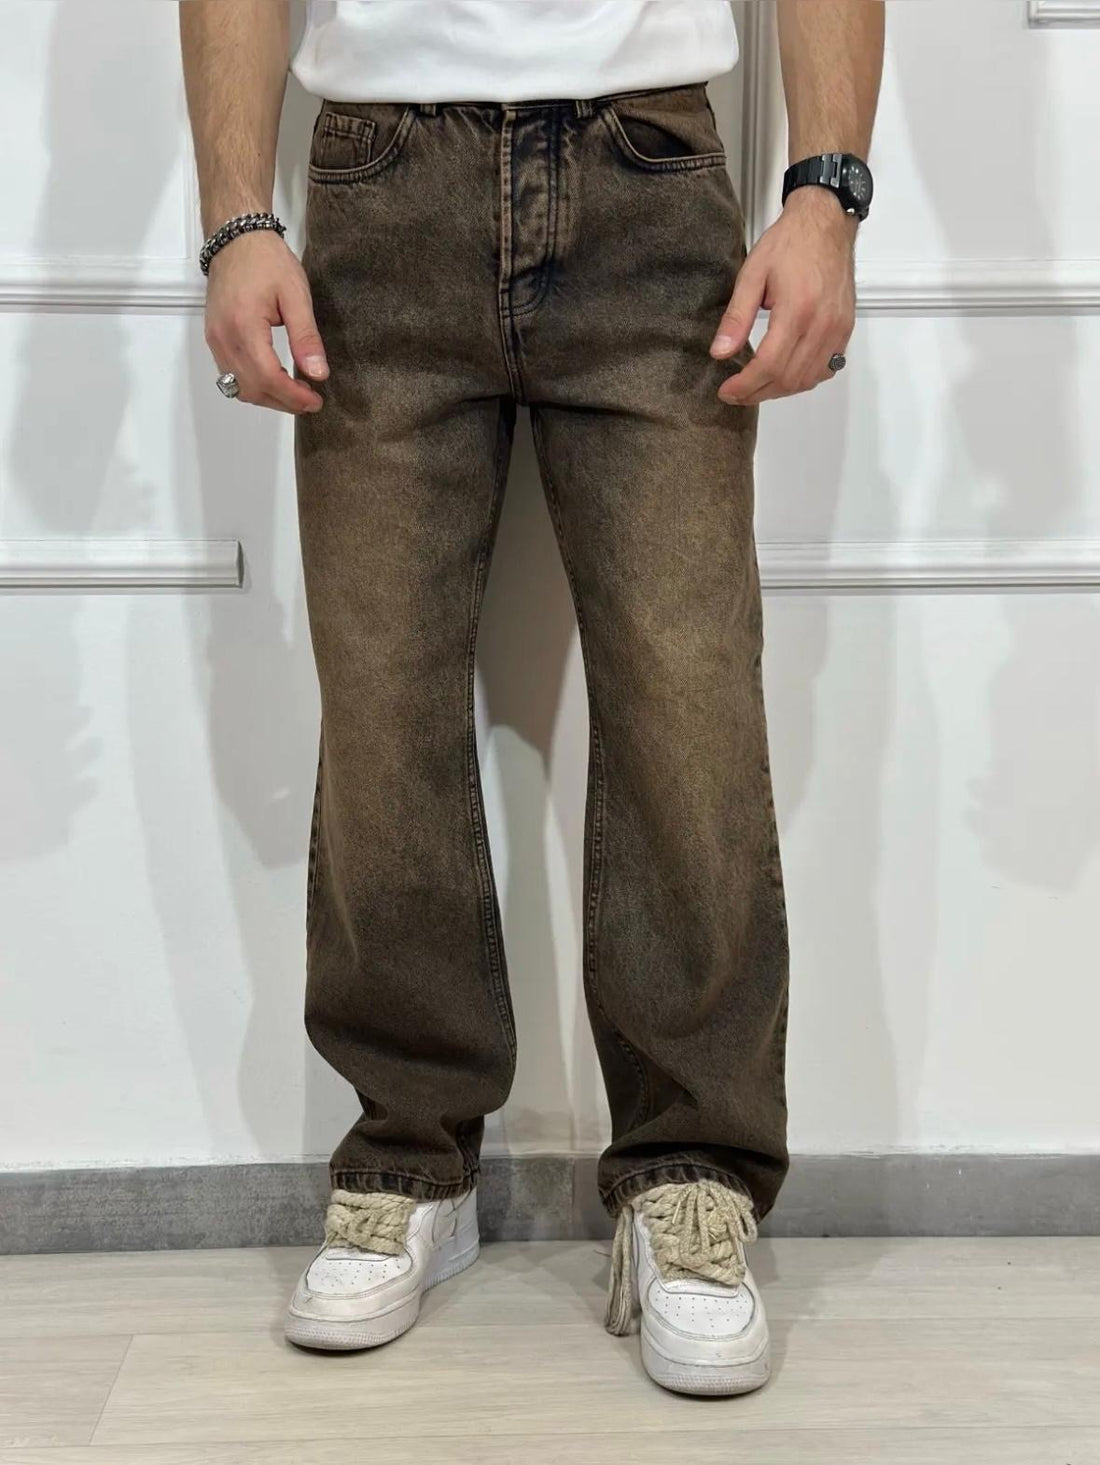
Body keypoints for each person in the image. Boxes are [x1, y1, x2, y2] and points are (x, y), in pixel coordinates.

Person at [179, 0, 883, 1397]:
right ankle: (408, 1160)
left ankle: (691, 1176)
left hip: (652, 176)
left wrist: (828, 192)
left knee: (690, 706)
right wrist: (234, 219)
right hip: (380, 182)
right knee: (381, 704)